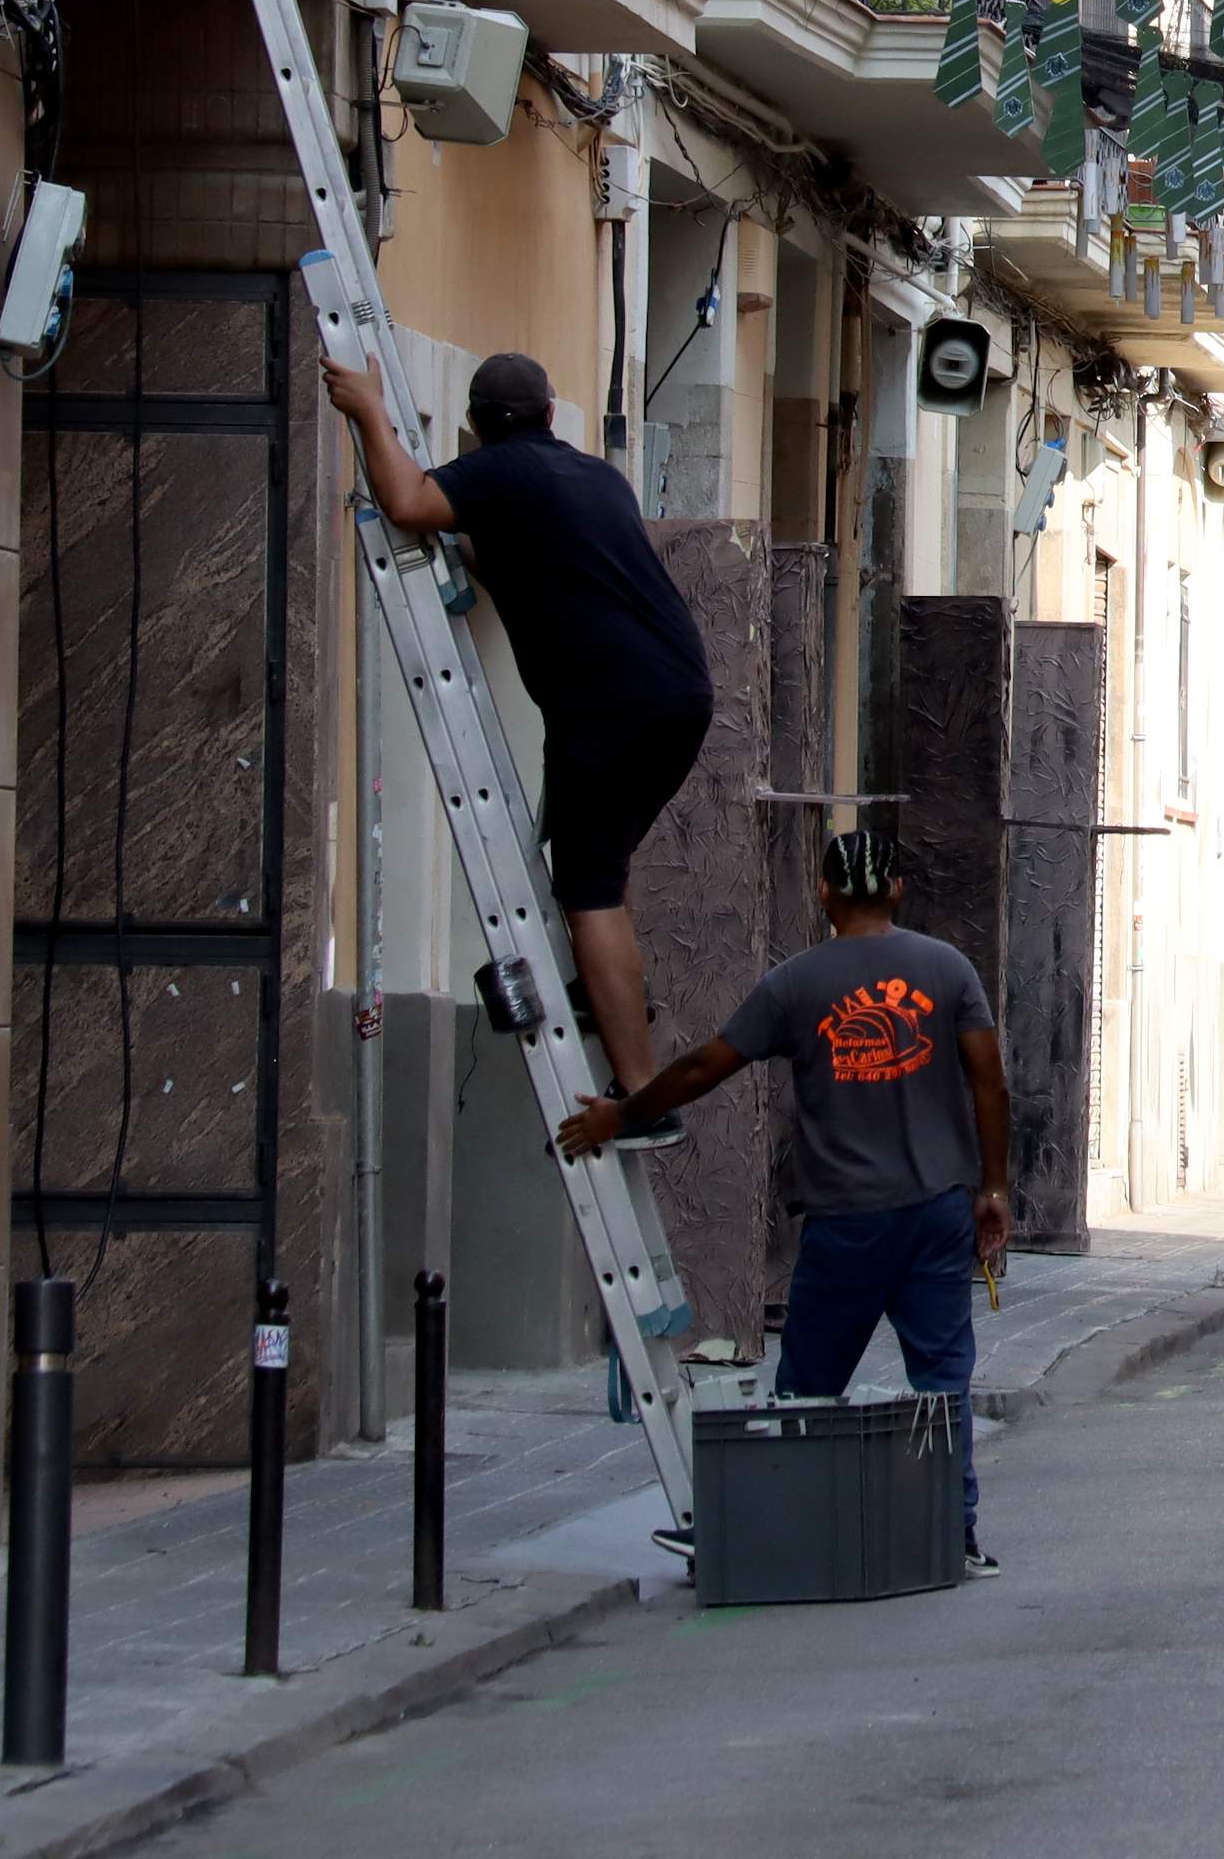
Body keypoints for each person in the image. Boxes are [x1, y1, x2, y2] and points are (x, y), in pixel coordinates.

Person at [559, 829, 1013, 1574]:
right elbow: (988, 1083)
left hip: (847, 1221)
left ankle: (766, 1528)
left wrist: (625, 1112)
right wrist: (993, 1188)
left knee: (807, 1385)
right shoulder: (948, 969)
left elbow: (708, 1064)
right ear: (898, 889)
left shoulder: (796, 983)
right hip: (937, 1210)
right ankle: (954, 1532)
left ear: (825, 893)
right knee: (941, 1379)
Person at [325, 349, 712, 1102]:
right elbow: (520, 557)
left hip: (608, 707)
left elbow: (407, 503)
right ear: (551, 411)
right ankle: (604, 995)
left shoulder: (501, 471)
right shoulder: (593, 477)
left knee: (589, 890)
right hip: (677, 694)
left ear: (475, 426)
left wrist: (369, 407)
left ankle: (638, 1093)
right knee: (599, 870)